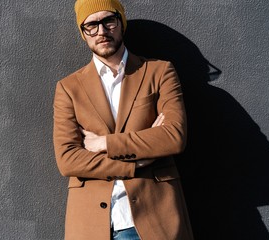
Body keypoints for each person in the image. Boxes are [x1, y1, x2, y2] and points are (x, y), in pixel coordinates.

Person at [53, 0, 194, 239]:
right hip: (91, 225)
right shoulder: (69, 88)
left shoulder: (159, 72)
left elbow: (173, 136)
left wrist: (103, 144)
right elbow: (68, 159)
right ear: (83, 32)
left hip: (155, 218)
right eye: (91, 25)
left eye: (108, 21)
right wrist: (133, 164)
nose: (101, 31)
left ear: (121, 22)